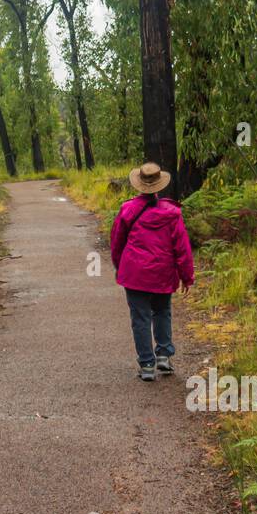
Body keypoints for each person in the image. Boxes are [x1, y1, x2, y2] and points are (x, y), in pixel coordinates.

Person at [108, 162, 195, 381]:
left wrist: (120, 266)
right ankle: (164, 355)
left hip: (135, 273)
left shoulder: (127, 209)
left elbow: (117, 241)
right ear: (159, 186)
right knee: (162, 311)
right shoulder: (172, 213)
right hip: (162, 273)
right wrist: (187, 276)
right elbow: (182, 248)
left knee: (140, 318)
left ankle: (147, 365)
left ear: (139, 185)